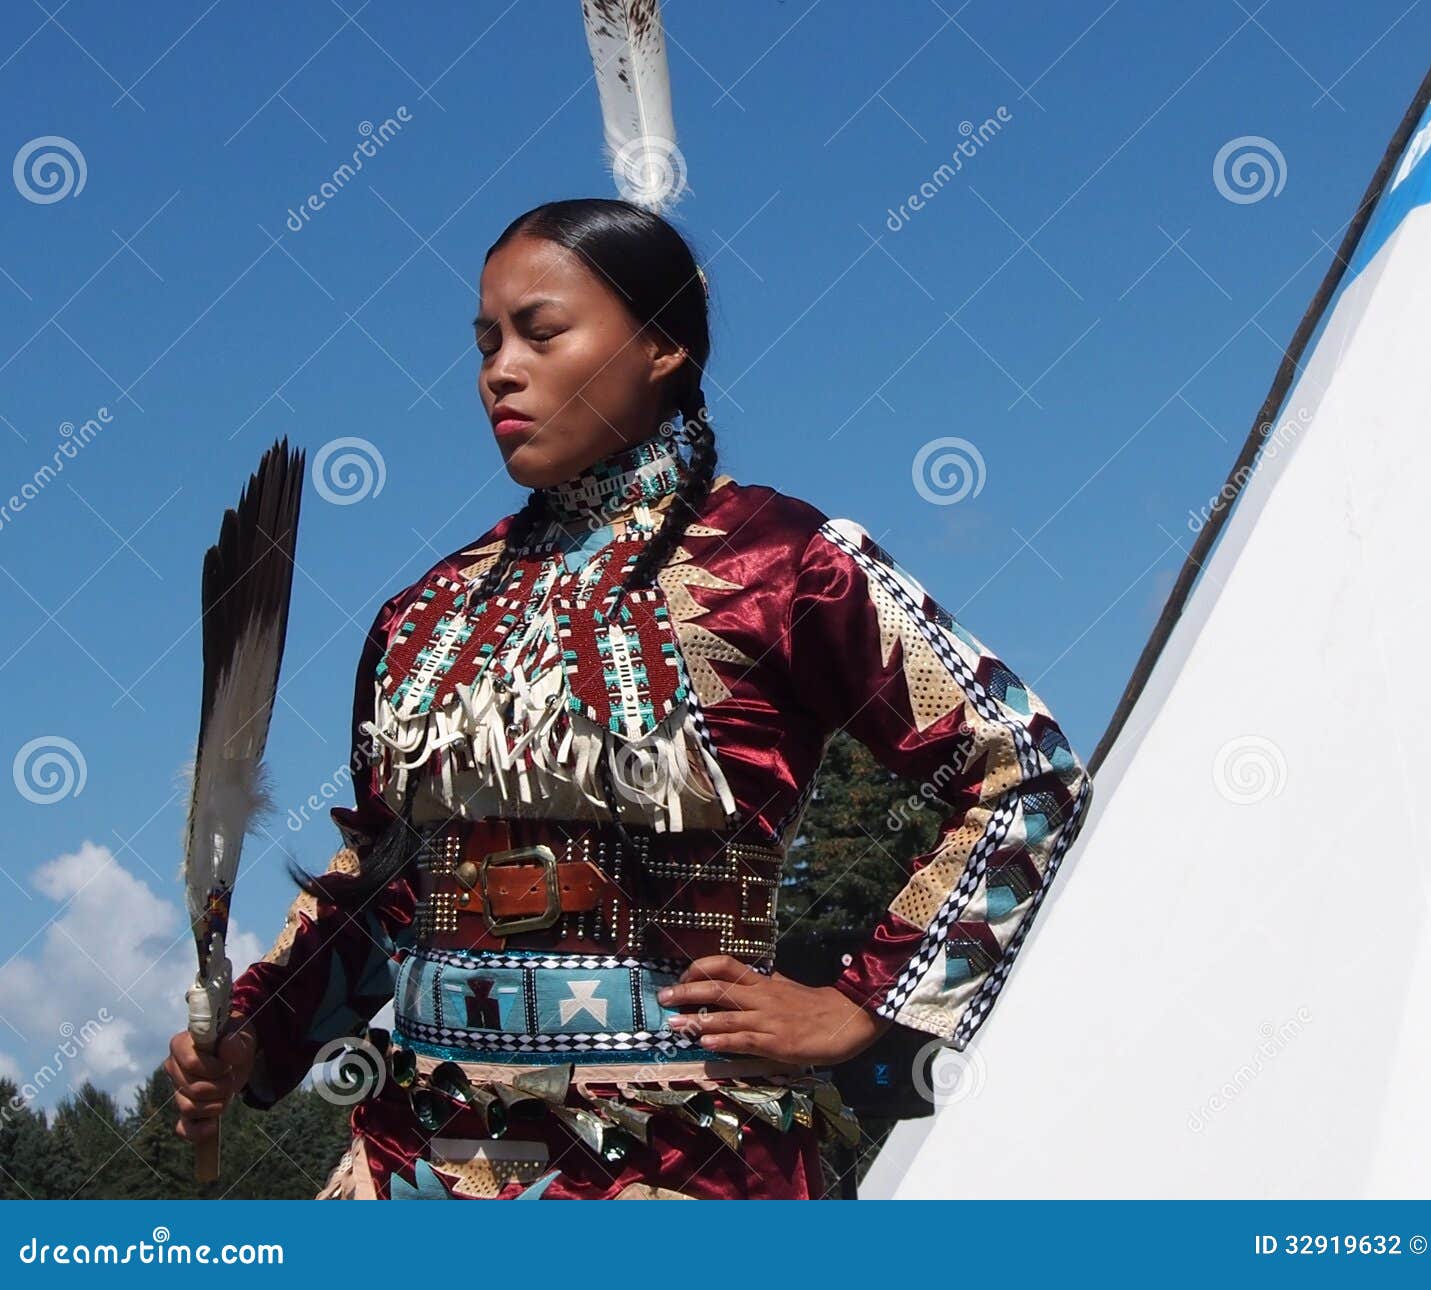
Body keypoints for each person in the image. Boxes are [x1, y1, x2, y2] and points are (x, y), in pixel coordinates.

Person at [164, 198, 1094, 1199]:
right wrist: (255, 1028)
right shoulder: (424, 613)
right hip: (424, 1163)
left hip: (684, 1157)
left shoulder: (781, 564)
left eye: (540, 332)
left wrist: (860, 1006)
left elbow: (1025, 770)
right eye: (485, 343)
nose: (499, 371)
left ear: (662, 346)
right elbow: (388, 877)